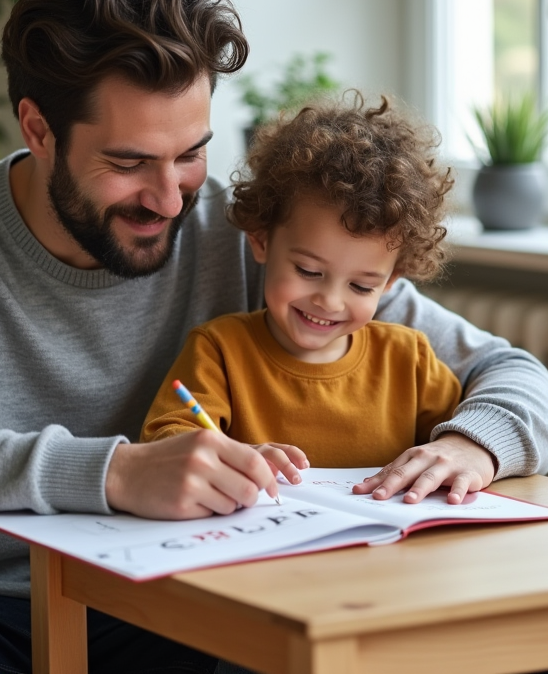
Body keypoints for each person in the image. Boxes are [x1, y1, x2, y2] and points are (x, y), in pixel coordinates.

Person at [0, 0, 548, 674]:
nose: (170, 196)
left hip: (178, 608)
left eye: (190, 153)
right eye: (129, 162)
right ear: (38, 128)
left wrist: (471, 443)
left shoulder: (253, 240)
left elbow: (511, 374)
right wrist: (116, 474)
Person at [142, 95, 470, 503]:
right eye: (309, 272)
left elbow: (459, 444)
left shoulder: (411, 360)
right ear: (260, 241)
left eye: (362, 286)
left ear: (391, 283)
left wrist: (466, 450)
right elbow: (166, 441)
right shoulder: (219, 350)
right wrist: (234, 457)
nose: (330, 301)